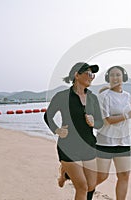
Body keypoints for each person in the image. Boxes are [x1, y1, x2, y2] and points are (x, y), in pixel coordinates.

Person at [44, 62, 103, 200]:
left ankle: (65, 174)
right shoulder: (62, 96)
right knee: (82, 186)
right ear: (77, 75)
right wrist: (57, 130)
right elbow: (48, 115)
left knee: (91, 185)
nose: (91, 77)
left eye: (92, 74)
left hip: (88, 145)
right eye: (88, 73)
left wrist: (94, 123)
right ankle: (67, 171)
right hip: (68, 146)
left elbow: (100, 122)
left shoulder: (93, 98)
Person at [96, 66, 131, 200]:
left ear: (124, 78)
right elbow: (106, 121)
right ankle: (84, 189)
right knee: (102, 176)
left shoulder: (128, 96)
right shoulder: (104, 96)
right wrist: (127, 116)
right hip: (105, 142)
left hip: (123, 142)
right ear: (108, 78)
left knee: (124, 176)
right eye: (112, 75)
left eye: (118, 75)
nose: (115, 78)